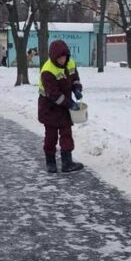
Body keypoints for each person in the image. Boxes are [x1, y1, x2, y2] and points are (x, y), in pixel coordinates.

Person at [37, 40, 84, 173]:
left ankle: (67, 162)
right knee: (51, 136)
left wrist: (77, 88)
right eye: (59, 58)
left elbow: (75, 78)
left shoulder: (71, 63)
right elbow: (54, 95)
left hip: (64, 107)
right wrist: (70, 103)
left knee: (66, 134)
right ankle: (50, 162)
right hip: (49, 107)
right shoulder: (47, 71)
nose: (62, 60)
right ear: (54, 57)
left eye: (64, 57)